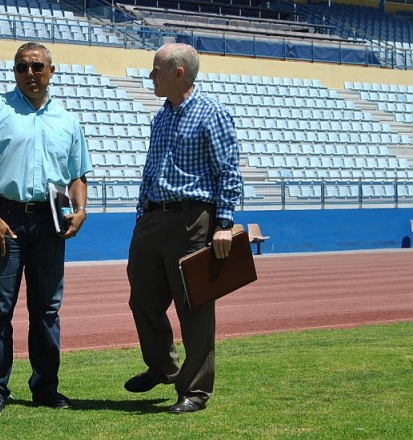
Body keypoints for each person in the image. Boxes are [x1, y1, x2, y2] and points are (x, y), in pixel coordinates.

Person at [0, 42, 93, 416]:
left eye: (36, 67)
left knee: (47, 310)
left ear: (52, 71)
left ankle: (45, 387)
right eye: (22, 67)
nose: (29, 74)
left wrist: (80, 210)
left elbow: (78, 174)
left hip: (51, 221)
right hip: (6, 219)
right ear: (14, 71)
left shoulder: (67, 119)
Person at [125, 43, 243, 414]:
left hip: (193, 218)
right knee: (142, 297)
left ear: (179, 73)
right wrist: (142, 212)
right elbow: (151, 169)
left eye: (156, 69)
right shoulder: (161, 115)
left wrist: (224, 223)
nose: (150, 75)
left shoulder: (212, 113)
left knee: (194, 304)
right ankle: (163, 367)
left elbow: (229, 170)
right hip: (153, 217)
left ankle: (194, 390)